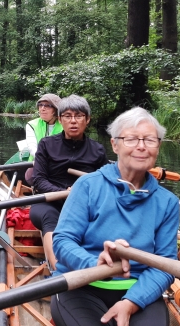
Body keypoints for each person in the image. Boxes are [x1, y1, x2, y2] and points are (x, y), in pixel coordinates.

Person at [51, 107, 179, 326]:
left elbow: (165, 265)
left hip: (139, 290)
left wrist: (131, 302)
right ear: (115, 145)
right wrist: (95, 263)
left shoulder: (167, 202)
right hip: (81, 285)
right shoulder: (88, 185)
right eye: (131, 139)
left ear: (158, 147)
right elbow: (63, 242)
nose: (141, 146)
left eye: (149, 140)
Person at [28, 95, 107, 271]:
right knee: (50, 218)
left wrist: (80, 195)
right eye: (67, 116)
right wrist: (64, 192)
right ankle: (59, 271)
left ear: (87, 120)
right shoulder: (47, 145)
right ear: (60, 119)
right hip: (50, 201)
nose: (73, 121)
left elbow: (104, 184)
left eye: (78, 116)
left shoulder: (97, 150)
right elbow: (39, 180)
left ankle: (96, 264)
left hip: (85, 204)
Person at [24, 93, 63, 160]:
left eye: (47, 106)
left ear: (56, 110)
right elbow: (32, 147)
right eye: (40, 105)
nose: (42, 108)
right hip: (36, 162)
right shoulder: (31, 125)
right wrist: (43, 159)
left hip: (59, 163)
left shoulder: (65, 124)